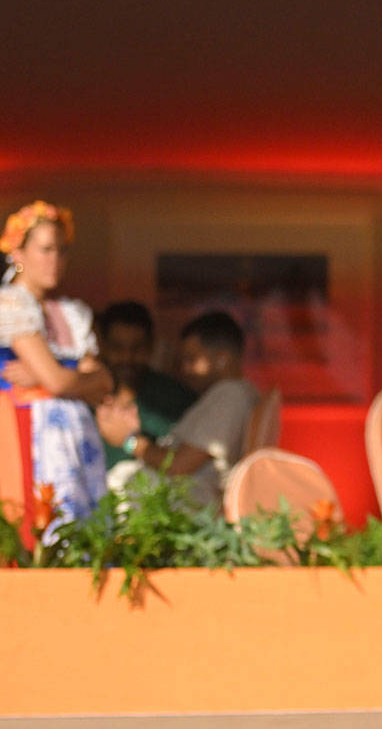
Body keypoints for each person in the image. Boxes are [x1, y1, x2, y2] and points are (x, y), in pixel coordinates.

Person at [0, 200, 111, 523]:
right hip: (26, 431)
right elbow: (59, 382)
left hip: (75, 437)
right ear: (18, 253)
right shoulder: (11, 304)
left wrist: (49, 376)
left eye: (62, 251)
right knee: (33, 520)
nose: (55, 260)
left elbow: (103, 381)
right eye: (46, 250)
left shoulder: (70, 312)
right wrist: (63, 378)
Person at [136, 310, 260, 510]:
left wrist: (131, 442)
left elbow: (179, 466)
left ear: (221, 359)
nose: (185, 369)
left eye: (191, 360)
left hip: (179, 509)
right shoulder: (231, 393)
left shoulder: (232, 394)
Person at [92, 301, 194, 471]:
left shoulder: (176, 399)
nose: (127, 357)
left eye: (137, 348)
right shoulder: (86, 398)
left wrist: (129, 440)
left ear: (151, 347)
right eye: (117, 347)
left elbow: (185, 465)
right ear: (103, 347)